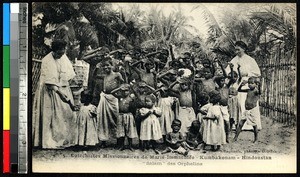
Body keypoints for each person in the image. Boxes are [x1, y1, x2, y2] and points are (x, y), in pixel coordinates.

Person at [32, 39, 77, 149]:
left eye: (63, 53)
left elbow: (68, 74)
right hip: (49, 90)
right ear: (54, 51)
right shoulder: (46, 60)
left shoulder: (63, 57)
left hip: (61, 87)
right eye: (59, 53)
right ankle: (48, 140)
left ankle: (64, 139)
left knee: (66, 113)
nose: (61, 55)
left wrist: (67, 85)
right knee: (49, 115)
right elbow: (50, 83)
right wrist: (61, 94)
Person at [225, 41, 261, 130]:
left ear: (244, 49)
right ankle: (237, 123)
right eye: (235, 50)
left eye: (238, 49)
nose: (236, 51)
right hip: (237, 82)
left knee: (246, 101)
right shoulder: (234, 59)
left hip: (247, 82)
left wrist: (247, 73)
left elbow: (257, 72)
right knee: (236, 102)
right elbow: (227, 71)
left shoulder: (250, 60)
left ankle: (249, 125)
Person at [96, 57, 124, 147]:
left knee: (116, 118)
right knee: (103, 119)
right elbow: (95, 76)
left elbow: (124, 84)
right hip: (105, 97)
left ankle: (119, 140)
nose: (106, 67)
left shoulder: (117, 74)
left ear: (112, 66)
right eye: (104, 66)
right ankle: (104, 141)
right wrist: (97, 67)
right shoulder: (104, 76)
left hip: (114, 98)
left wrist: (119, 93)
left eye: (108, 65)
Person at [234, 77, 261, 143]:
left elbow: (260, 92)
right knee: (240, 124)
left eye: (252, 83)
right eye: (249, 83)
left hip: (252, 110)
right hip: (246, 110)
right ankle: (235, 137)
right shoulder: (248, 90)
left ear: (255, 84)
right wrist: (241, 84)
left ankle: (256, 139)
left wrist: (259, 85)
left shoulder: (256, 91)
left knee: (254, 125)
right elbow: (239, 90)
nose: (250, 84)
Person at [111, 84, 138, 151]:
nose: (125, 92)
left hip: (129, 115)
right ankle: (122, 145)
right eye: (123, 91)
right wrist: (119, 88)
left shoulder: (131, 98)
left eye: (126, 91)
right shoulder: (119, 97)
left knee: (129, 130)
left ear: (129, 91)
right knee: (121, 131)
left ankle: (130, 145)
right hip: (121, 115)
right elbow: (112, 92)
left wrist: (132, 88)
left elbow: (137, 96)